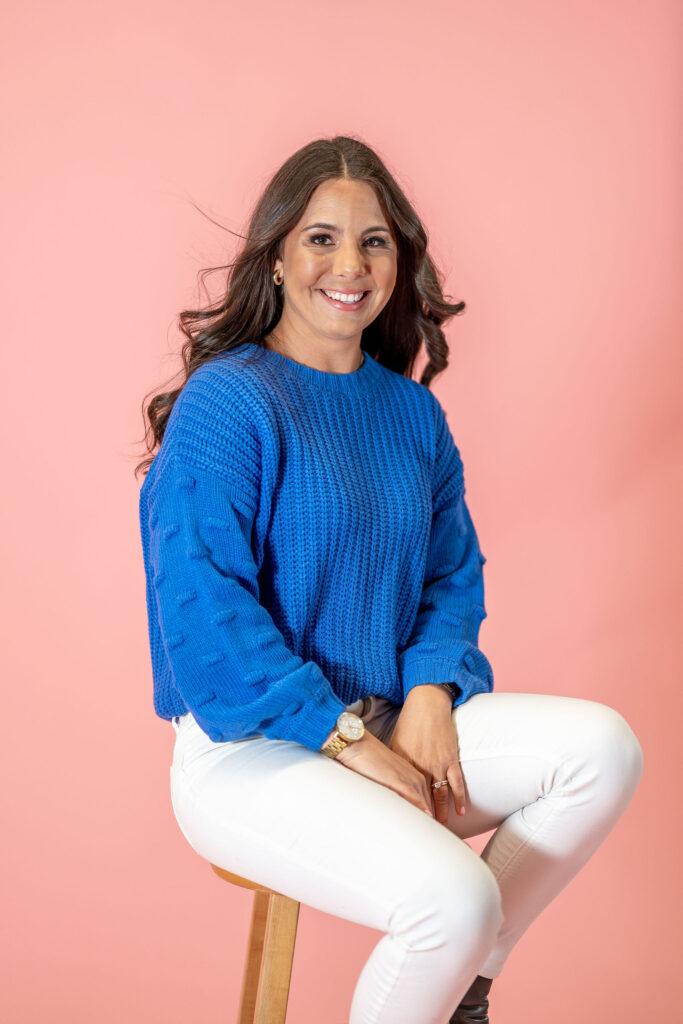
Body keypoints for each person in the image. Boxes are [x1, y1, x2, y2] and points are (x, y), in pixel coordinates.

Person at [135, 135, 644, 1024]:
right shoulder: (231, 401)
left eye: (374, 241)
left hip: (382, 717)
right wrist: (348, 743)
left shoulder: (412, 413)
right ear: (280, 258)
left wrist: (430, 693)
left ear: (399, 260)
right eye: (321, 238)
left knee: (602, 749)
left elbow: (452, 576)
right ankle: (454, 955)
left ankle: (459, 988)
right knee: (451, 895)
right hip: (249, 747)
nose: (350, 263)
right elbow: (204, 609)